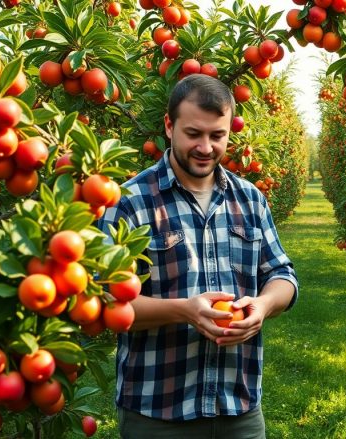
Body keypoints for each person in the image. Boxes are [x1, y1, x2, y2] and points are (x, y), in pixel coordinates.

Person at [98, 73, 298, 438]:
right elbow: (106, 301)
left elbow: (282, 274)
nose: (205, 147)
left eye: (217, 135)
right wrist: (184, 311)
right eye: (194, 134)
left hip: (238, 408)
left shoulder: (250, 199)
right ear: (169, 126)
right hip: (158, 411)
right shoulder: (128, 201)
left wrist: (263, 306)